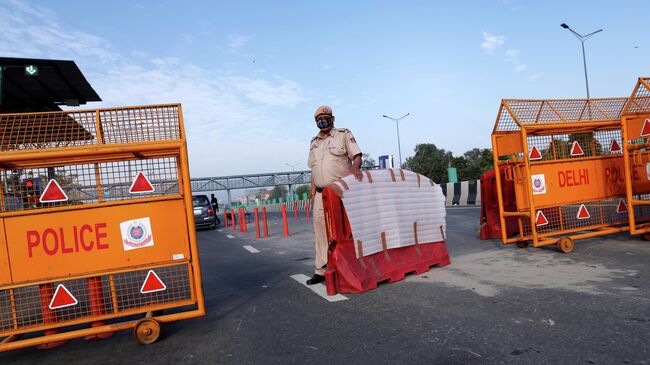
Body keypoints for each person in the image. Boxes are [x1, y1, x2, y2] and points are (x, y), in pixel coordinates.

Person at [306, 105, 363, 285]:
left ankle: (353, 267)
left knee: (345, 231)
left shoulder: (343, 135)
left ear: (333, 118)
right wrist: (313, 191)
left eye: (326, 117)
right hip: (320, 194)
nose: (323, 121)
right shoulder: (314, 142)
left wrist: (355, 169)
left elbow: (357, 156)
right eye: (319, 119)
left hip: (340, 192)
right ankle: (321, 270)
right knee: (321, 232)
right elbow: (314, 168)